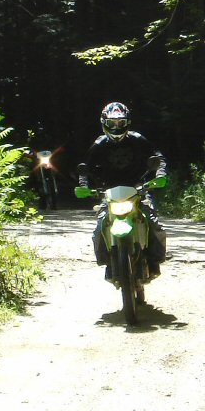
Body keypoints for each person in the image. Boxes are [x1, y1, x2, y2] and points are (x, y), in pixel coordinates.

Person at [79, 102, 167, 280]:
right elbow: (84, 168)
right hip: (109, 192)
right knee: (99, 228)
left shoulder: (137, 139)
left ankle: (155, 260)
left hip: (138, 188)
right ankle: (108, 262)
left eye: (120, 123)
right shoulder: (99, 144)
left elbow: (158, 157)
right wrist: (84, 186)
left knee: (153, 223)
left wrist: (160, 174)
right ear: (104, 123)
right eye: (112, 123)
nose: (116, 127)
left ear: (127, 123)